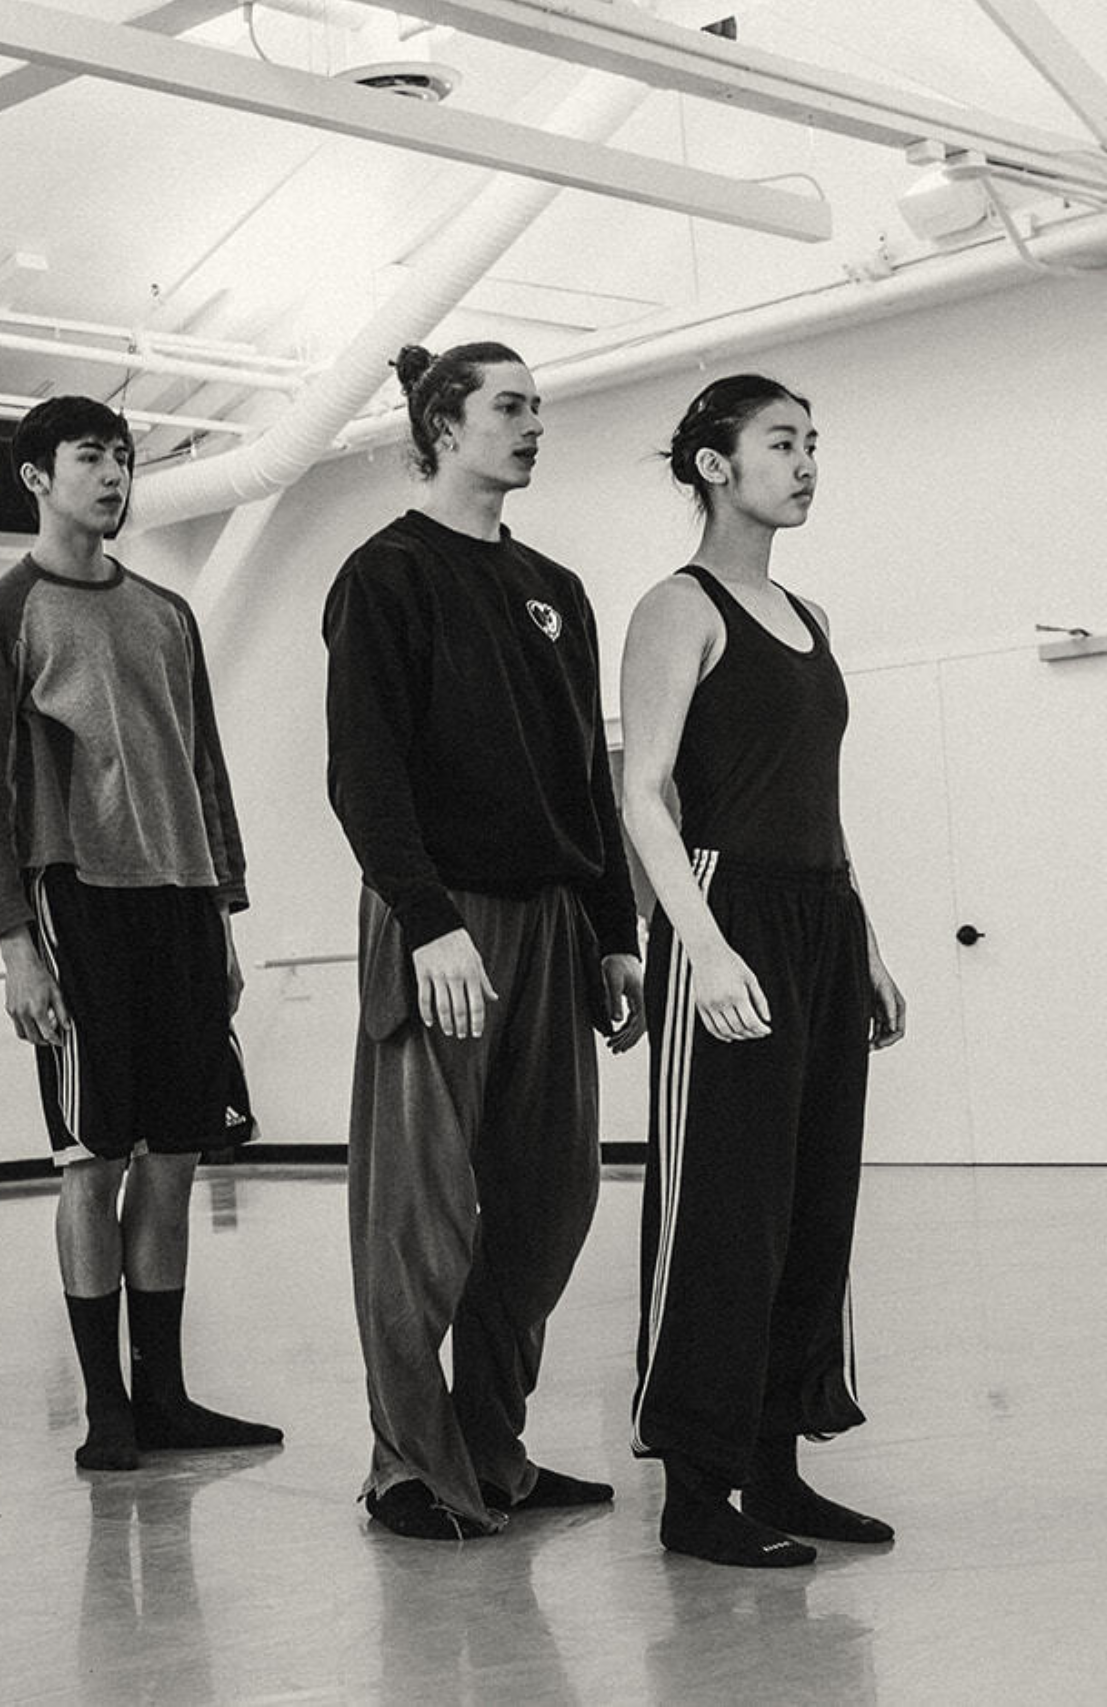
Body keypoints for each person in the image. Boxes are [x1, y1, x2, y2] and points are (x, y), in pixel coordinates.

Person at [322, 341, 646, 1540]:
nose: (532, 425)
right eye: (509, 407)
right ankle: (409, 1467)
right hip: (440, 924)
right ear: (442, 426)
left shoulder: (555, 587)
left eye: (538, 407)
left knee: (548, 1201)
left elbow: (585, 774)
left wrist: (613, 931)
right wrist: (428, 923)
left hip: (554, 922)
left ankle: (493, 1450)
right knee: (417, 1214)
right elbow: (364, 775)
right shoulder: (385, 575)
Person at [0, 395, 274, 1474]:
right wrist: (15, 943)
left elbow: (204, 766)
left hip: (181, 901)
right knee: (91, 1162)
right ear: (37, 476)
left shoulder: (168, 613)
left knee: (174, 1158)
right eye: (91, 457)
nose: (115, 476)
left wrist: (223, 911)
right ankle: (106, 1407)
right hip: (76, 901)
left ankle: (165, 1395)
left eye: (124, 458)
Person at [620, 375, 906, 1568]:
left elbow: (814, 796)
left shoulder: (809, 616)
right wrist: (700, 944)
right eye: (780, 443)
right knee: (721, 1211)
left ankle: (776, 1468)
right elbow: (643, 792)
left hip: (819, 919)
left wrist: (863, 941)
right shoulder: (674, 609)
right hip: (724, 913)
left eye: (811, 444)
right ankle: (696, 1491)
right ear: (713, 465)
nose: (804, 464)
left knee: (809, 1199)